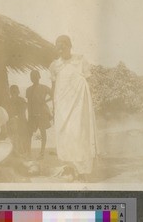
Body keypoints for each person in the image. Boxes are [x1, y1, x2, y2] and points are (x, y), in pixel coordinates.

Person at [49, 35, 97, 181]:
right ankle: (69, 168)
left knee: (78, 135)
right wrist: (53, 106)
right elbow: (53, 87)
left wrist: (89, 103)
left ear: (70, 46)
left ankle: (82, 171)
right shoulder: (54, 66)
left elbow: (89, 81)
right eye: (58, 47)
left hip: (79, 105)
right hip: (62, 105)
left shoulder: (80, 60)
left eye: (63, 46)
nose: (61, 49)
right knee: (64, 135)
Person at [26, 70, 52, 159]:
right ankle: (28, 152)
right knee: (29, 133)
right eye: (32, 76)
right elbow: (29, 104)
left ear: (39, 77)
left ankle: (42, 153)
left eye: (36, 76)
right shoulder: (28, 90)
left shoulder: (44, 88)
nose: (34, 78)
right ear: (30, 78)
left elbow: (53, 95)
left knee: (43, 132)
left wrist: (45, 101)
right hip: (32, 114)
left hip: (42, 113)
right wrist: (29, 116)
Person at [7, 85, 29, 156]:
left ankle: (23, 152)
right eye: (13, 92)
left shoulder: (21, 100)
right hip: (14, 122)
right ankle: (18, 152)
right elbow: (9, 112)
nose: (14, 93)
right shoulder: (10, 101)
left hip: (21, 121)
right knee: (16, 137)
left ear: (18, 92)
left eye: (15, 92)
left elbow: (23, 110)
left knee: (22, 137)